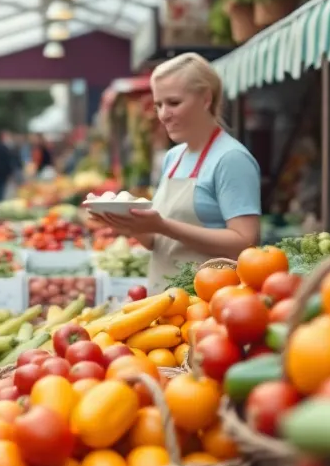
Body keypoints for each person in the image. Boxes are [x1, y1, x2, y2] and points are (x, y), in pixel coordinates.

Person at [92, 53, 262, 290]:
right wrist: (128, 224)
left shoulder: (231, 159)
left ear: (205, 99)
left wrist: (163, 225)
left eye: (173, 103)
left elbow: (244, 242)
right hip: (164, 302)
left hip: (206, 306)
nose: (163, 115)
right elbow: (158, 242)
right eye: (158, 105)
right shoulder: (174, 157)